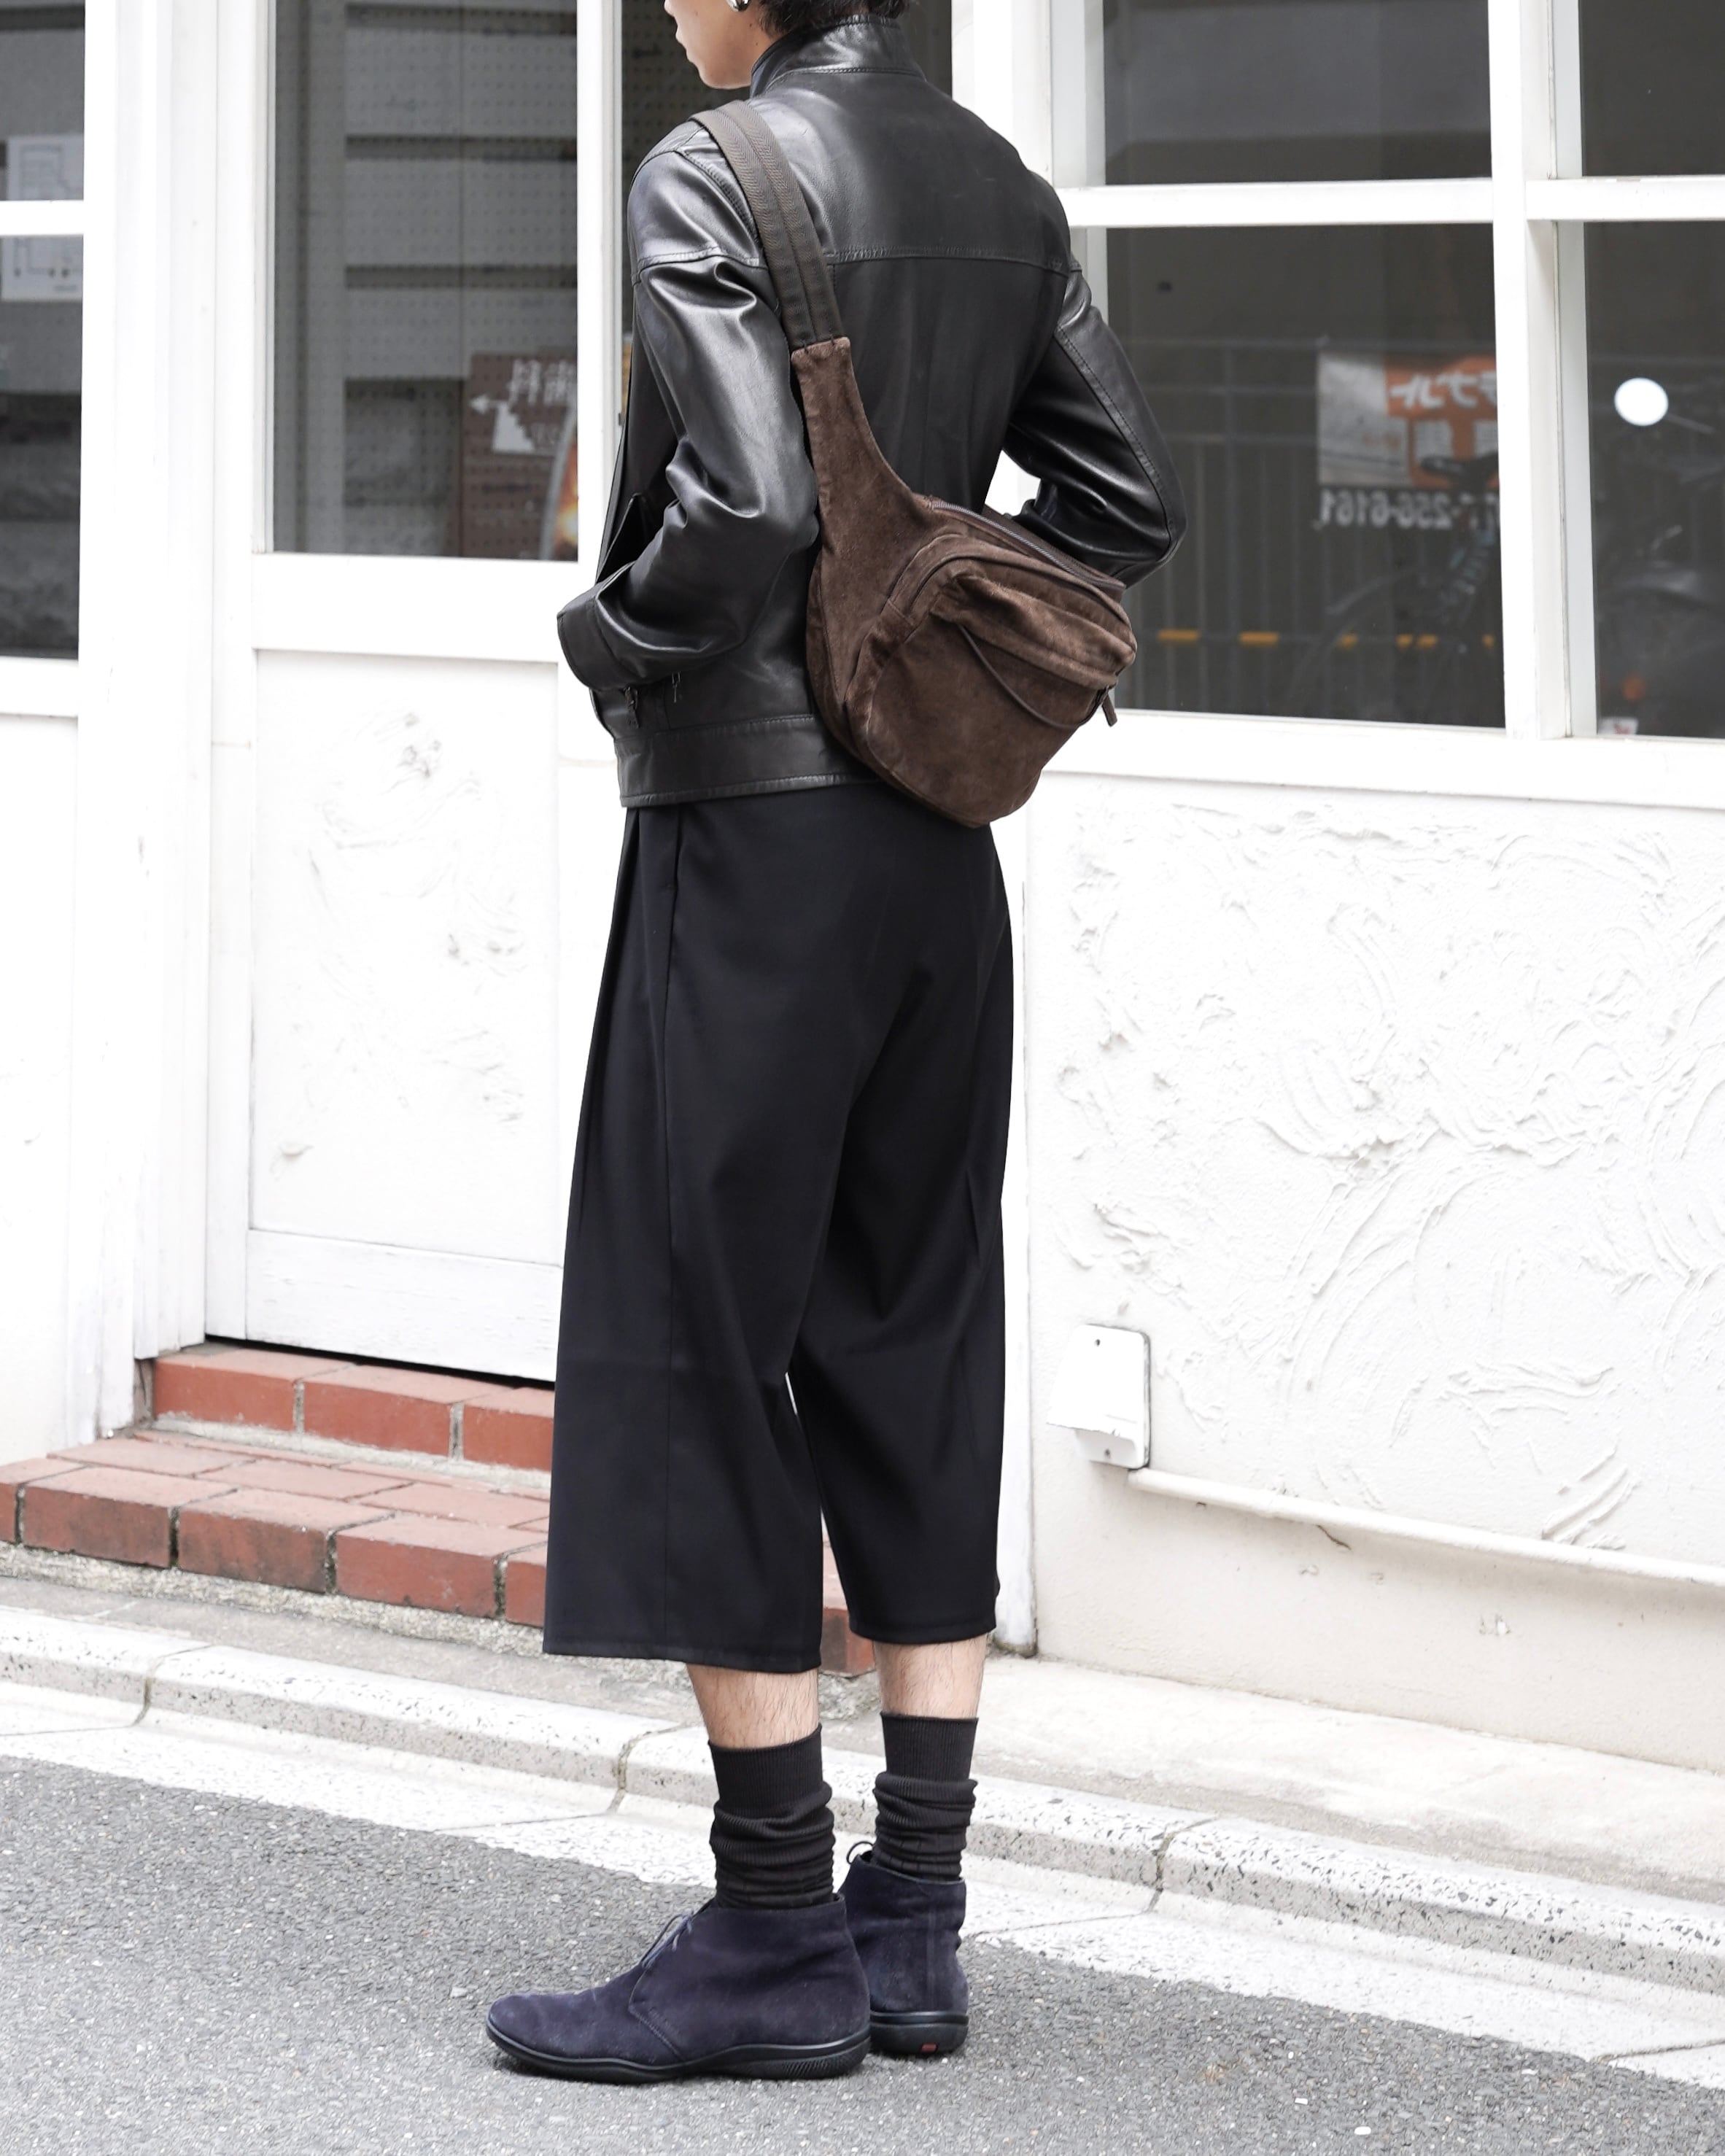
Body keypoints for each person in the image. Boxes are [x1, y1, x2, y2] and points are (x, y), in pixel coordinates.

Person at [487, 0, 1183, 2084]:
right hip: (935, 851)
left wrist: (608, 638)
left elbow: (749, 502)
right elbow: (1125, 493)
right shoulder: (998, 183)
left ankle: (775, 1925)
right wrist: (947, 620)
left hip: (754, 834)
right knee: (911, 1317)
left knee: (694, 1330)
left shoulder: (711, 173)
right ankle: (914, 1920)